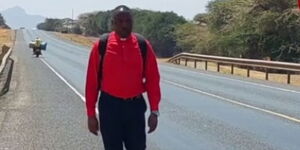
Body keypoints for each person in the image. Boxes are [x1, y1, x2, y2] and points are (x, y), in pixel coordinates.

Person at [85, 5, 161, 150]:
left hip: (134, 108)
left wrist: (154, 111)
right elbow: (92, 83)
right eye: (120, 21)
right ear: (113, 23)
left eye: (128, 21)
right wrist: (90, 114)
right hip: (109, 107)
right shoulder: (101, 45)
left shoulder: (142, 45)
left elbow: (153, 80)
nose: (124, 25)